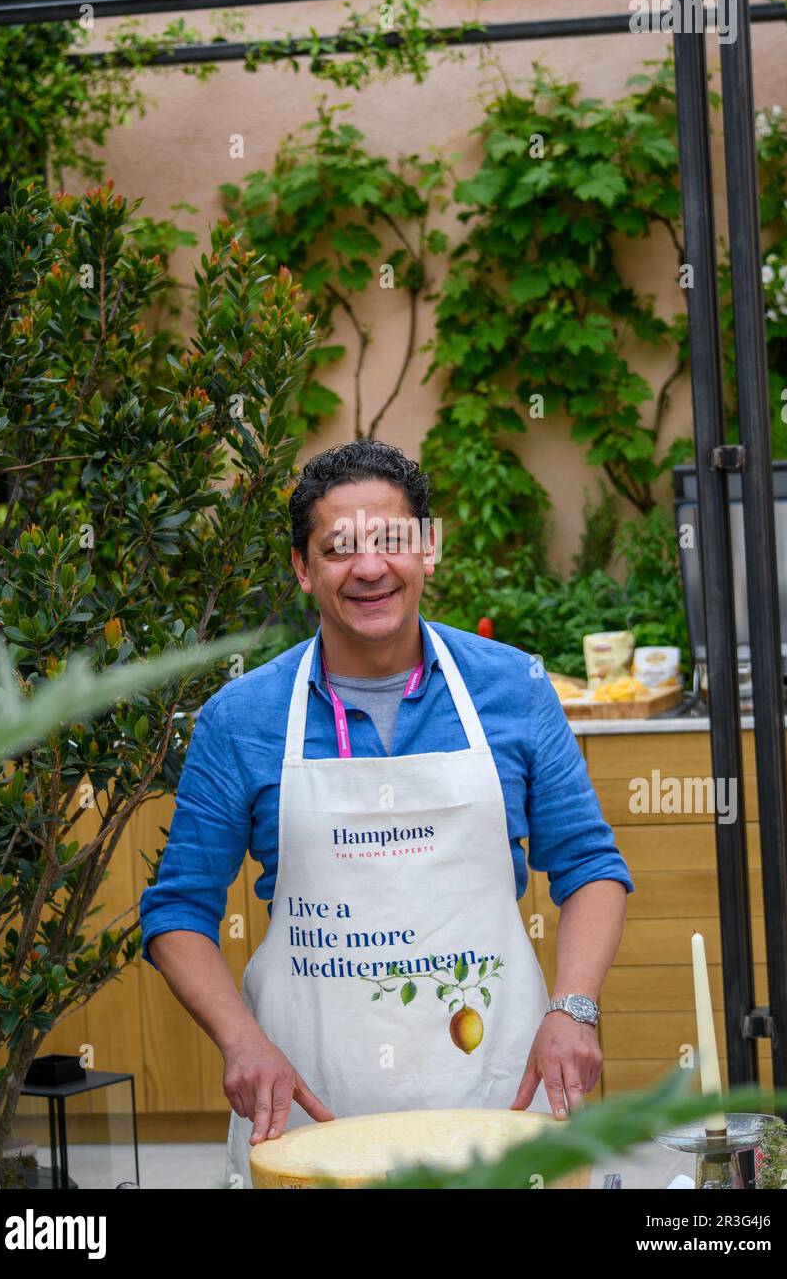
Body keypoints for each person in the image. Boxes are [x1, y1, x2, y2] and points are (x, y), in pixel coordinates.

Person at [140, 439, 634, 1187]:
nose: (369, 568)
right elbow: (178, 912)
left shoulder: (514, 689)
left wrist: (574, 1007)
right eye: (338, 549)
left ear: (427, 551)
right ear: (304, 570)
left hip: (496, 1089)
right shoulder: (241, 718)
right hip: (312, 1108)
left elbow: (590, 867)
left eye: (392, 541)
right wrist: (241, 1041)